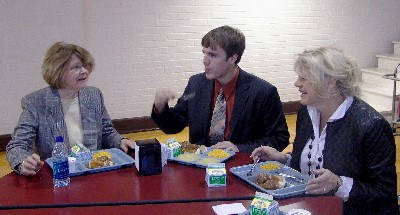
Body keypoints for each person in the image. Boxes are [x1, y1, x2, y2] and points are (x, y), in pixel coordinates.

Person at [251, 47, 398, 214]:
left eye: (304, 78)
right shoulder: (307, 111)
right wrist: (284, 159)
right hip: (307, 206)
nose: (297, 83)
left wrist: (339, 184)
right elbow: (313, 161)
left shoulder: (371, 125)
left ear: (330, 82)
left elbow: (385, 194)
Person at [151, 25, 290, 153]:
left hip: (240, 167)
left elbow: (279, 138)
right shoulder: (196, 84)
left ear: (233, 58)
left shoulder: (263, 92)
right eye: (204, 53)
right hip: (200, 165)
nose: (205, 61)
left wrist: (239, 148)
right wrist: (161, 107)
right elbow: (174, 125)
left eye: (212, 55)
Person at [6, 42, 135, 176]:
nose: (84, 71)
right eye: (76, 67)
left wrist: (120, 141)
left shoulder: (93, 95)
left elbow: (107, 132)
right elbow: (17, 146)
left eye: (85, 66)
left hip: (93, 173)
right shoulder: (36, 102)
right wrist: (23, 163)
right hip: (57, 177)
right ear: (58, 71)